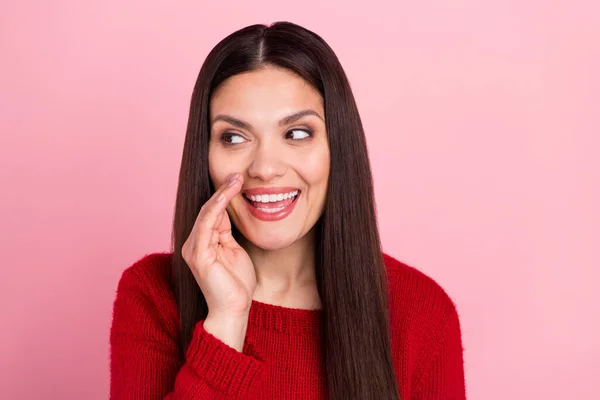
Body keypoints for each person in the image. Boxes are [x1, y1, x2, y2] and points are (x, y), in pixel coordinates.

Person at [109, 21, 466, 400]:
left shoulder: (422, 314)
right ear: (205, 155)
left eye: (296, 134)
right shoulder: (153, 295)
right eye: (233, 137)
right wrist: (227, 321)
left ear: (337, 148)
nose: (264, 167)